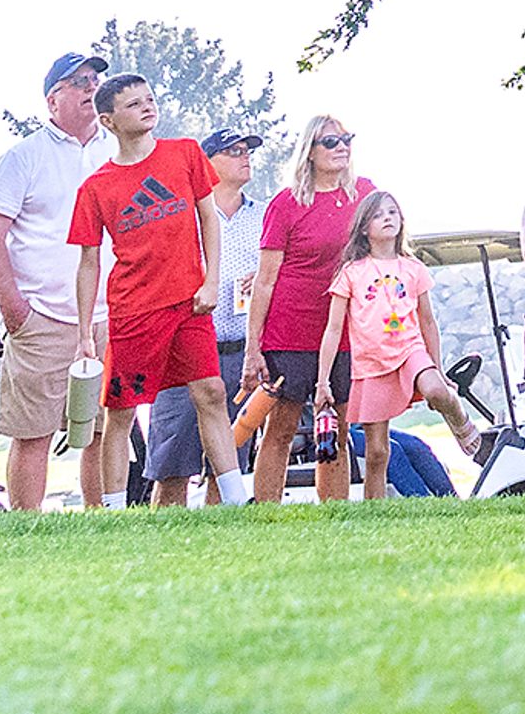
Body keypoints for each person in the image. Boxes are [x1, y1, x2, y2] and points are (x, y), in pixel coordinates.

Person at [68, 72, 234, 511]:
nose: (147, 107)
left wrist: (211, 279)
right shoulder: (96, 187)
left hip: (189, 303)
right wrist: (85, 332)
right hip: (133, 312)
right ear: (108, 120)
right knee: (120, 412)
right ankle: (115, 509)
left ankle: (236, 499)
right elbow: (88, 262)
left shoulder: (185, 154)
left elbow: (208, 218)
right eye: (133, 104)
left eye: (149, 99)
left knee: (211, 392)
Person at [0, 48, 113, 511]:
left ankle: (103, 520)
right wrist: (14, 310)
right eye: (79, 82)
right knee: (31, 431)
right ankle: (26, 526)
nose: (91, 88)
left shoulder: (117, 152)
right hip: (42, 317)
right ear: (52, 99)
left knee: (101, 429)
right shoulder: (23, 157)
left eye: (94, 80)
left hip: (108, 315)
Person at [246, 110, 376, 504]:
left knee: (336, 425)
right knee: (282, 427)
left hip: (347, 329)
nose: (342, 148)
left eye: (346, 139)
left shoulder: (365, 194)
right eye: (331, 142)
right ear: (310, 152)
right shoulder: (286, 204)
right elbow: (265, 280)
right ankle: (266, 512)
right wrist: (254, 348)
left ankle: (335, 512)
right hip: (292, 329)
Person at [326, 190, 481, 489]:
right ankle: (375, 510)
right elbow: (334, 330)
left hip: (410, 349)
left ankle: (460, 420)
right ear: (363, 228)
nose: (387, 218)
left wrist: (436, 366)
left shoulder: (413, 269)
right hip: (371, 363)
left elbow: (427, 321)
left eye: (392, 212)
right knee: (378, 452)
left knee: (436, 389)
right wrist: (323, 382)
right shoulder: (352, 273)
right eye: (378, 214)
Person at [146, 131, 260, 505]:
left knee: (228, 464)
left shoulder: (264, 214)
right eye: (233, 151)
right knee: (172, 464)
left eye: (247, 151)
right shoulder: (183, 213)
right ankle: (162, 543)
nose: (245, 157)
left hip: (239, 354)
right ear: (206, 162)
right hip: (184, 349)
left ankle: (219, 543)